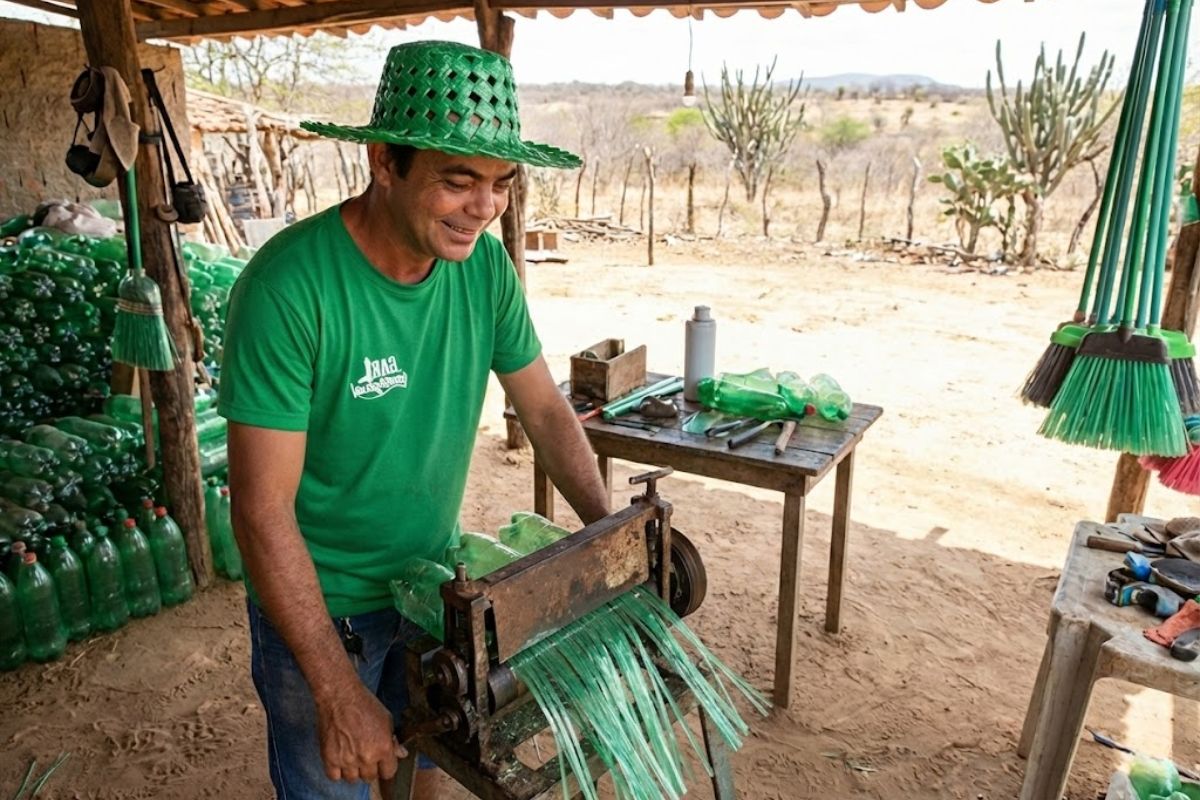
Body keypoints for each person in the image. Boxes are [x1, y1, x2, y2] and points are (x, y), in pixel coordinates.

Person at [217, 40, 610, 800]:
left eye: (500, 182)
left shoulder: (483, 270)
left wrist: (609, 533)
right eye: (457, 180)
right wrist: (335, 691)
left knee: (428, 768)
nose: (485, 206)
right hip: (322, 613)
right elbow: (260, 512)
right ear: (384, 164)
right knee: (334, 782)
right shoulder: (290, 290)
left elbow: (545, 411)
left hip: (431, 587)